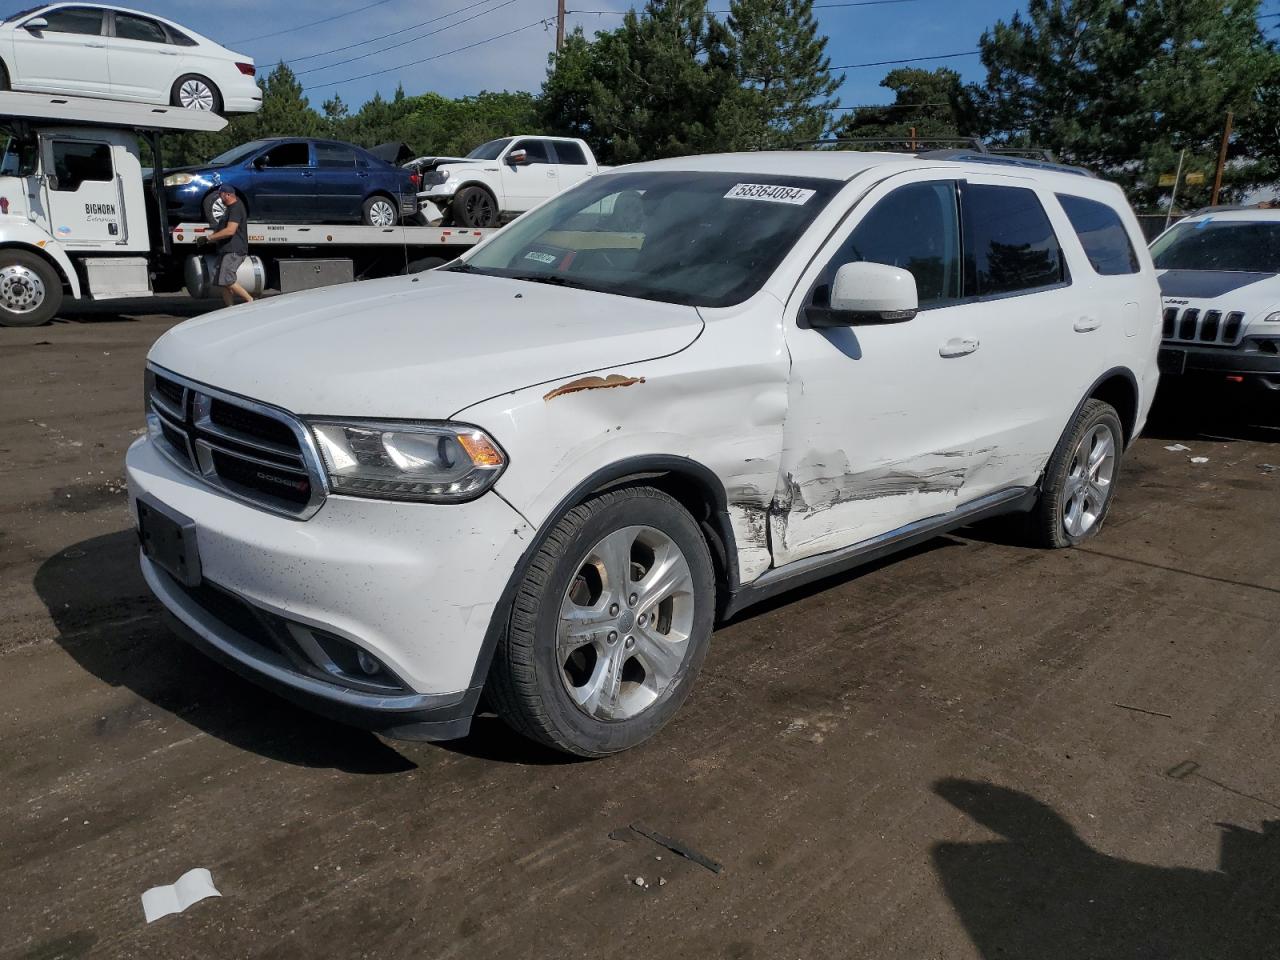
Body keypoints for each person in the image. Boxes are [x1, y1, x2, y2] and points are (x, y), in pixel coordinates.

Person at [199, 185, 253, 307]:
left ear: (227, 195)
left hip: (234, 250)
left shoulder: (236, 208)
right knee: (221, 282)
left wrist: (209, 238)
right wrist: (208, 240)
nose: (219, 197)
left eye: (220, 194)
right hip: (226, 250)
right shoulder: (229, 208)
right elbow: (223, 230)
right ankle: (229, 309)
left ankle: (250, 301)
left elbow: (230, 231)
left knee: (227, 279)